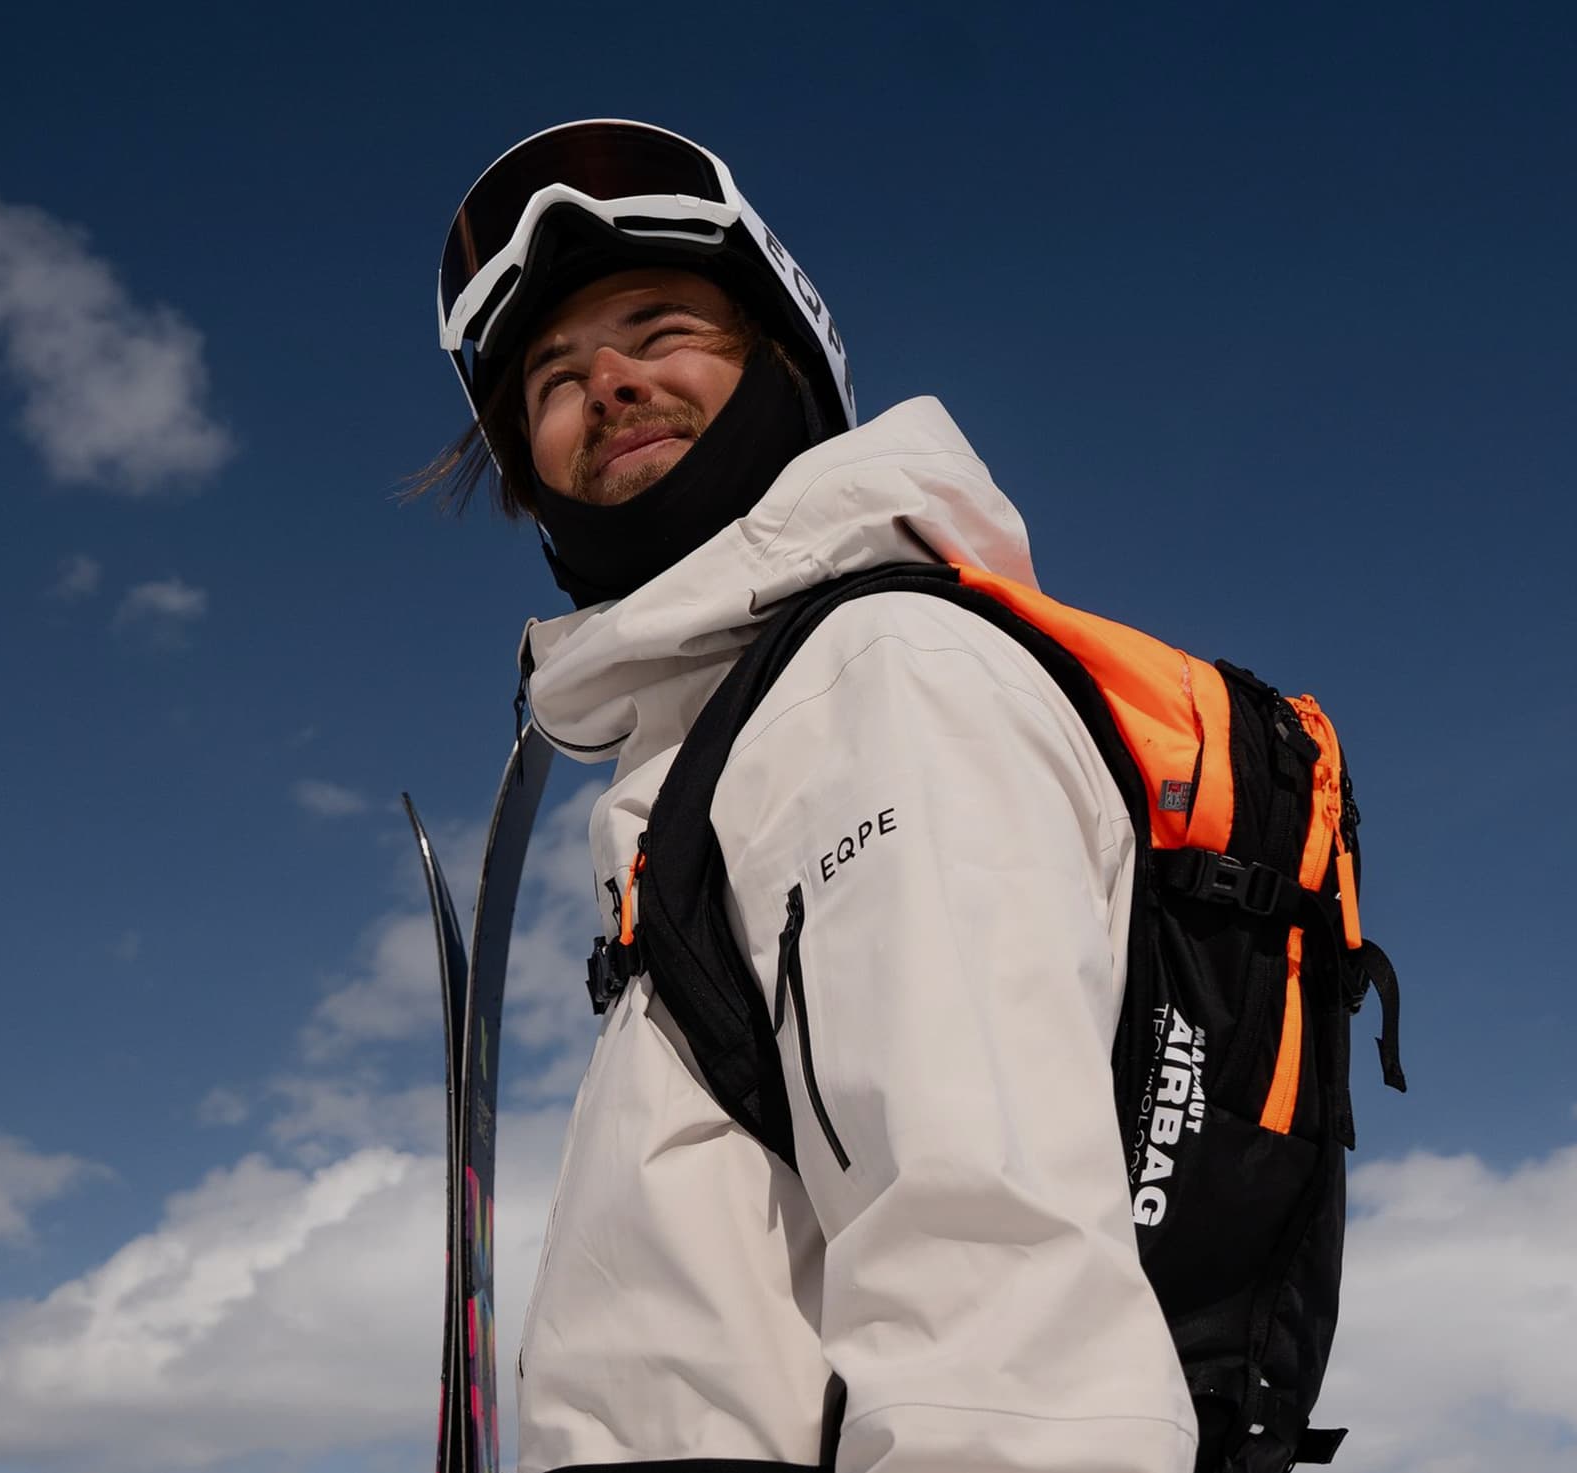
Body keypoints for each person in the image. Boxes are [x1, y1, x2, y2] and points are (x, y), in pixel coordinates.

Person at [424, 119, 1198, 1473]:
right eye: (551, 374)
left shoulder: (873, 677)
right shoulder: (724, 739)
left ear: (788, 362)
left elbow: (1001, 1297)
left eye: (662, 328)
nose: (606, 381)